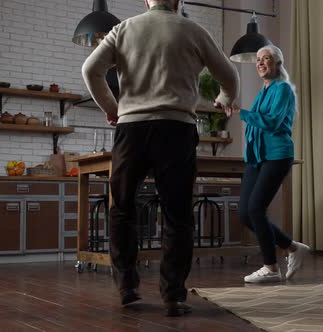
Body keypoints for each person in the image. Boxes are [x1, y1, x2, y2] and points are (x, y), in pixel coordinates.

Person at [81, 0, 239, 316]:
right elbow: (229, 76)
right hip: (176, 129)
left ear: (146, 1)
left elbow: (90, 70)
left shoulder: (124, 28)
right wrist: (224, 98)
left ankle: (128, 288)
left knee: (122, 208)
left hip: (132, 129)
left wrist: (112, 108)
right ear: (178, 1)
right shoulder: (194, 30)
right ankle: (173, 295)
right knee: (177, 214)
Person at [227, 45, 309, 283]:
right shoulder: (265, 91)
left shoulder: (282, 89)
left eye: (267, 59)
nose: (261, 62)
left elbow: (271, 122)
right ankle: (292, 247)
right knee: (244, 214)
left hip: (277, 155)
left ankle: (271, 268)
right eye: (259, 60)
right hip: (258, 157)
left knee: (256, 209)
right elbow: (257, 124)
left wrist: (239, 112)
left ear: (278, 64)